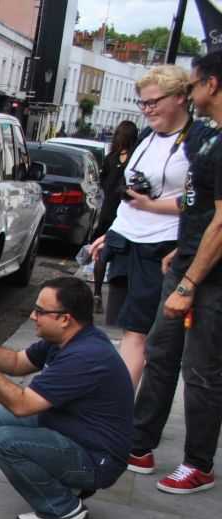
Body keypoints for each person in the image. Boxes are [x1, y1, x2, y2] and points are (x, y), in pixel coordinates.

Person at [0, 276, 133, 519]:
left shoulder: (84, 357)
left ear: (65, 318)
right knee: (0, 419)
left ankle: (62, 508)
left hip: (97, 459)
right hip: (79, 432)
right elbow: (15, 362)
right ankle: (67, 483)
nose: (33, 316)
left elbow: (22, 405)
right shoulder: (68, 339)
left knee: (4, 442)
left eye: (40, 311)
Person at [125, 52, 222, 495]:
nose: (195, 91)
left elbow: (220, 221)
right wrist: (183, 251)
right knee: (161, 355)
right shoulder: (206, 139)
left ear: (209, 86)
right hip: (186, 260)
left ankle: (198, 464)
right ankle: (139, 443)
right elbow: (196, 203)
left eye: (196, 83)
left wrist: (189, 281)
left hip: (209, 276)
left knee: (201, 370)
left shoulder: (208, 138)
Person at [89, 66, 196, 388]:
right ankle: (117, 408)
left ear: (180, 97)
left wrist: (152, 206)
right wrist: (114, 230)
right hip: (128, 238)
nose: (147, 109)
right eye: (143, 103)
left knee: (140, 333)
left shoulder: (195, 142)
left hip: (159, 245)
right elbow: (131, 193)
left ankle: (117, 412)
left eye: (153, 102)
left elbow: (200, 202)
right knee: (128, 330)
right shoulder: (148, 137)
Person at [91, 120, 140, 311]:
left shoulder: (110, 158)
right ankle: (120, 299)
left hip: (107, 211)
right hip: (127, 213)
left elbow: (102, 183)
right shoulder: (136, 159)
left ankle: (96, 293)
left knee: (102, 254)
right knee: (125, 254)